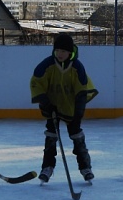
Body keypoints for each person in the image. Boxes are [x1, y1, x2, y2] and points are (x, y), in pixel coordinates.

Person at [30, 33, 98, 184]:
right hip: (52, 107)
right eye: (57, 50)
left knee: (77, 137)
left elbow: (82, 90)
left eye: (63, 51)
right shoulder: (46, 65)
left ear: (70, 52)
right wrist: (45, 103)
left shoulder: (77, 67)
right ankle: (47, 167)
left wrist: (79, 110)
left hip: (71, 107)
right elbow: (36, 83)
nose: (60, 54)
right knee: (51, 137)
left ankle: (85, 168)